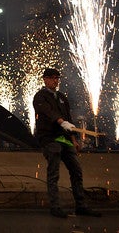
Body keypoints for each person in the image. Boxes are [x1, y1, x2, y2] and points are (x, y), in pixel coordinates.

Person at [33, 68, 101, 218]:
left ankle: (81, 206)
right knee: (54, 173)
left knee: (76, 171)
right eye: (52, 78)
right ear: (45, 79)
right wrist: (61, 122)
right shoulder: (40, 96)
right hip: (49, 138)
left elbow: (68, 118)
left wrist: (74, 139)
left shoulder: (62, 97)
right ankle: (55, 207)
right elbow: (48, 112)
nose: (55, 81)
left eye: (57, 78)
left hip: (64, 138)